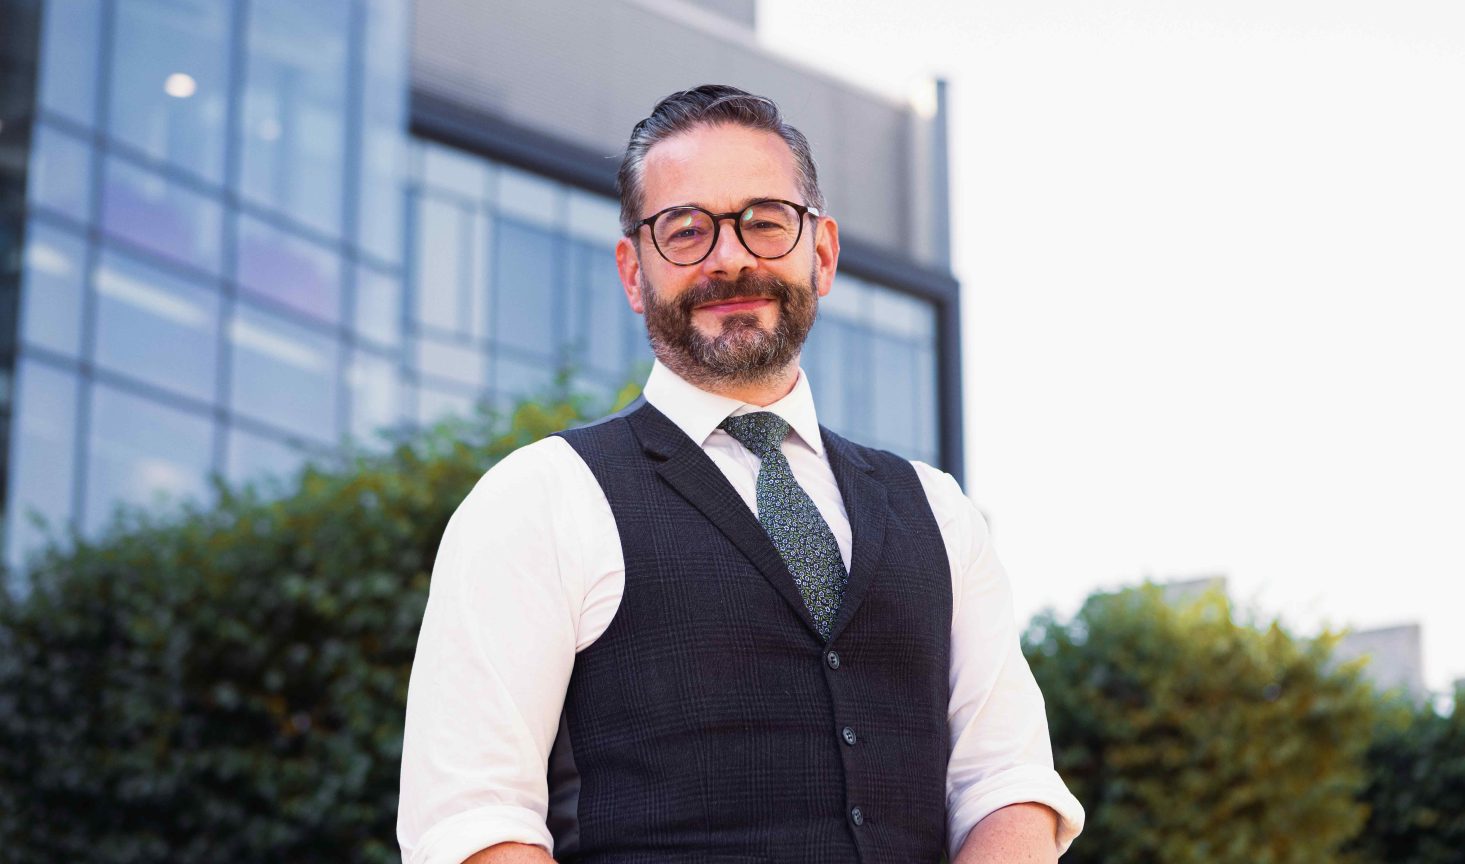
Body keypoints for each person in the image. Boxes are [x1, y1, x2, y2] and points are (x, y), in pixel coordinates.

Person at [397, 84, 1084, 864]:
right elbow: (468, 822)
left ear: (820, 253)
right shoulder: (540, 498)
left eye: (764, 222)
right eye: (685, 230)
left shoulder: (939, 512)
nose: (730, 258)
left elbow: (1009, 782)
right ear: (633, 272)